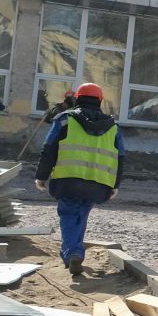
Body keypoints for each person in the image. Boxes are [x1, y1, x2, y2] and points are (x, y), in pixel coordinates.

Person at [33, 82, 122, 278]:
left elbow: (49, 148)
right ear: (100, 101)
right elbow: (120, 156)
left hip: (68, 180)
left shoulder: (65, 119)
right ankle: (74, 250)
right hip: (98, 184)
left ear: (77, 98)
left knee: (68, 215)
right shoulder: (113, 126)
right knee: (81, 214)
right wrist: (115, 184)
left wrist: (41, 176)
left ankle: (73, 252)